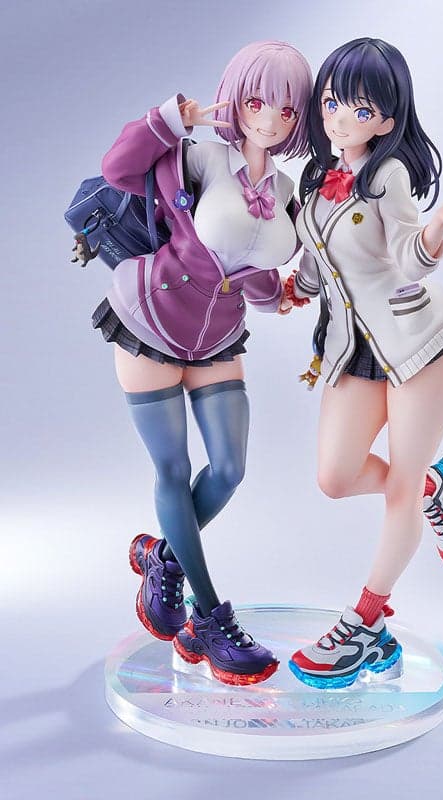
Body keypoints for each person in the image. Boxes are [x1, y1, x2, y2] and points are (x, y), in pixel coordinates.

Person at [284, 37, 443, 689]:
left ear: (385, 120)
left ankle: (365, 621)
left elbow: (408, 258)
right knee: (334, 476)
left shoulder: (389, 177)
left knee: (399, 487)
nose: (338, 118)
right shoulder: (315, 177)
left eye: (358, 109)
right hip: (352, 348)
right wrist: (293, 288)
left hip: (417, 341)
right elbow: (317, 254)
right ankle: (439, 486)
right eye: (331, 101)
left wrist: (440, 227)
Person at [92, 41, 312, 686]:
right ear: (236, 98)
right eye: (257, 101)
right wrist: (168, 119)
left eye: (285, 109)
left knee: (230, 469)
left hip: (217, 336)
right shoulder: (199, 155)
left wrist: (282, 295)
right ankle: (209, 618)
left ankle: (162, 558)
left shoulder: (285, 188)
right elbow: (118, 169)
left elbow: (249, 271)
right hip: (151, 321)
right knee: (173, 469)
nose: (268, 119)